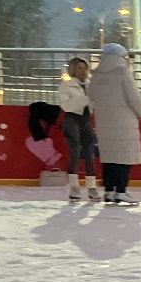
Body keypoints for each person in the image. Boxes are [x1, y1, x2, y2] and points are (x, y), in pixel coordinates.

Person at [85, 43, 141, 206]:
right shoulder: (122, 71)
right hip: (124, 119)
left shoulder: (96, 73)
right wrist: (140, 111)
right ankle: (121, 191)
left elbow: (90, 94)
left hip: (104, 121)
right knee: (124, 156)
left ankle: (109, 191)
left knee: (109, 156)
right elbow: (133, 95)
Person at [57, 56, 99, 201]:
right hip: (71, 120)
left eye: (85, 68)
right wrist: (84, 99)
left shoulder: (90, 85)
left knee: (89, 154)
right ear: (73, 69)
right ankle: (74, 186)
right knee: (74, 152)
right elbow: (66, 106)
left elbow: (94, 104)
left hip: (86, 120)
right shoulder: (65, 85)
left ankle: (91, 187)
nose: (83, 71)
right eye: (79, 68)